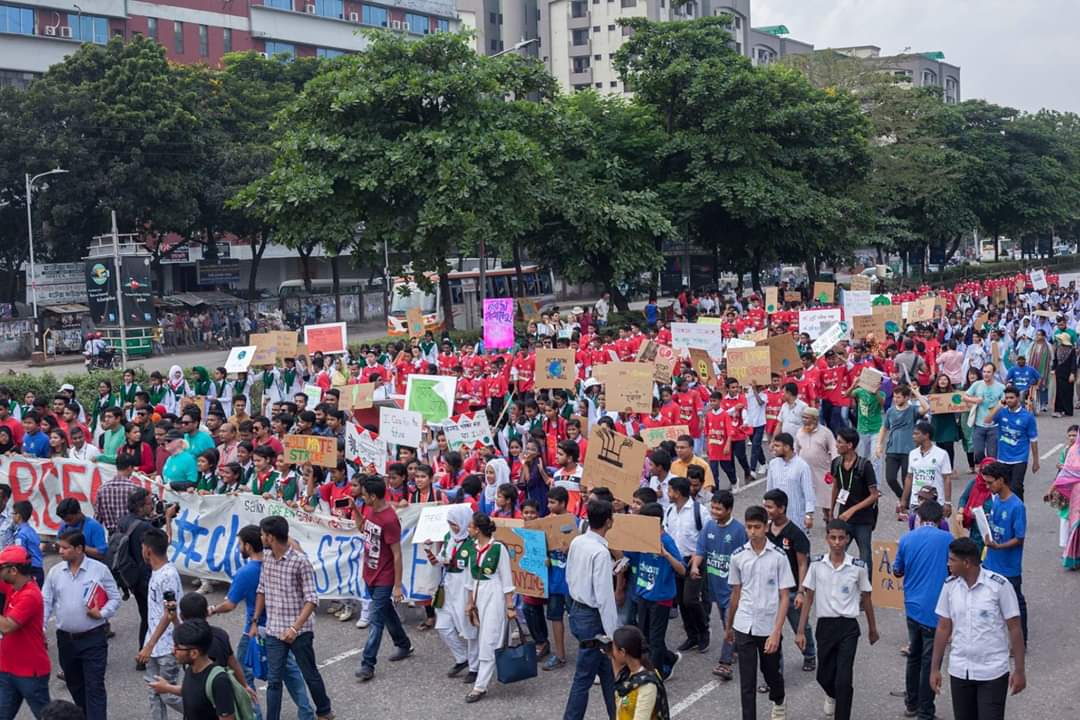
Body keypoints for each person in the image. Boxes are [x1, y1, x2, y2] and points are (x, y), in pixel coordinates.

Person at [209, 525, 315, 720]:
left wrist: (212, 610)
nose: (239, 547)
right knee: (290, 672)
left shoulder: (246, 572)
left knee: (244, 674)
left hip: (254, 631)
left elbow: (230, 604)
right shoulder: (275, 562)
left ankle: (255, 716)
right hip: (279, 628)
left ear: (248, 546)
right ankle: (306, 712)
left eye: (240, 543)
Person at [930, 537, 1026, 720]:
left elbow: (1014, 627)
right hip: (960, 670)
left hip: (992, 671)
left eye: (952, 560)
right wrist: (935, 669)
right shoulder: (950, 587)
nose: (948, 564)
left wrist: (1019, 670)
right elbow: (943, 627)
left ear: (966, 563)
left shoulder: (999, 586)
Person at [249, 516, 333, 720]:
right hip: (274, 630)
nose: (260, 537)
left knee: (309, 673)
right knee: (274, 680)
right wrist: (255, 620)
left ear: (270, 537)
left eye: (262, 534)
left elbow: (312, 599)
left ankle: (324, 711)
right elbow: (262, 589)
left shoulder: (300, 562)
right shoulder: (267, 559)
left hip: (300, 631)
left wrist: (294, 628)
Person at [794, 520, 879, 720]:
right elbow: (809, 597)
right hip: (825, 626)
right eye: (833, 537)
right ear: (827, 539)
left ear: (848, 539)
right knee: (823, 675)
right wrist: (799, 631)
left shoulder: (858, 567)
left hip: (848, 627)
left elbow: (866, 598)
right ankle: (831, 695)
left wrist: (872, 628)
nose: (837, 542)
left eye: (841, 538)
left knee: (844, 680)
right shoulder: (816, 565)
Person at [42, 531, 121, 720]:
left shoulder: (99, 570)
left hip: (93, 638)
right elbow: (46, 600)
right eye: (59, 547)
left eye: (65, 547)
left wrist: (102, 613)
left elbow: (115, 598)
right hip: (66, 640)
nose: (60, 551)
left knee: (94, 687)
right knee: (75, 685)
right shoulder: (55, 571)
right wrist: (41, 627)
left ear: (79, 549)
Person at [726, 504, 794, 720]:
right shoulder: (738, 557)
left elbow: (785, 596)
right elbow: (735, 593)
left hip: (768, 626)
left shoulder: (778, 556)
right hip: (744, 624)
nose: (753, 531)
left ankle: (779, 699)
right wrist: (729, 626)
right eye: (749, 527)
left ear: (766, 527)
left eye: (757, 526)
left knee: (771, 673)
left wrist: (776, 631)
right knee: (747, 682)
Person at [892, 501, 952, 720]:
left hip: (912, 608)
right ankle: (926, 711)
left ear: (919, 517)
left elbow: (897, 571)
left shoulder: (907, 539)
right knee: (930, 661)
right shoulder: (948, 540)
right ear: (940, 520)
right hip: (936, 611)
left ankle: (911, 703)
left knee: (914, 657)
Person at [562, 499, 618, 720]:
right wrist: (613, 635)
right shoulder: (601, 553)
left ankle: (617, 714)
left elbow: (569, 575)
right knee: (584, 677)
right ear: (608, 522)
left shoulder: (578, 541)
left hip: (577, 609)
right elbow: (604, 598)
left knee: (607, 672)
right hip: (593, 617)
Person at [355, 477, 413, 682]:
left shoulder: (389, 520)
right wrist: (355, 509)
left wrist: (397, 586)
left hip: (384, 576)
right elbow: (363, 529)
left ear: (373, 496)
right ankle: (403, 643)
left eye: (363, 495)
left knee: (376, 620)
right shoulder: (371, 509)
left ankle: (367, 664)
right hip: (370, 571)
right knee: (385, 611)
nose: (361, 497)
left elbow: (397, 554)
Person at [690, 489, 747, 680]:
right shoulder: (709, 527)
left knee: (729, 624)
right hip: (713, 586)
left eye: (719, 509)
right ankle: (737, 647)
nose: (714, 512)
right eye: (713, 507)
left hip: (732, 590)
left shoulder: (739, 532)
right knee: (727, 623)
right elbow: (701, 549)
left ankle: (725, 663)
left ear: (729, 509)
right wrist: (696, 566)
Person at [627, 502, 685, 680]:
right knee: (644, 637)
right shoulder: (641, 538)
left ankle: (655, 676)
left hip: (661, 598)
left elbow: (682, 569)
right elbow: (630, 559)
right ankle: (671, 658)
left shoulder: (667, 541)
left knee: (656, 639)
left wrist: (666, 555)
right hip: (643, 594)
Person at [462, 512, 516, 703]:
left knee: (488, 639)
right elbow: (469, 577)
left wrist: (510, 605)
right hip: (477, 594)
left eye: (470, 526)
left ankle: (480, 686)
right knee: (478, 636)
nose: (468, 529)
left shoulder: (498, 548)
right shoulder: (471, 547)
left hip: (494, 593)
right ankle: (485, 672)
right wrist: (469, 602)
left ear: (478, 529)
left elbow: (506, 577)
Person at [424, 505, 479, 682]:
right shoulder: (449, 537)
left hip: (464, 587)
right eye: (449, 523)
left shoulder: (473, 542)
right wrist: (436, 560)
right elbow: (443, 558)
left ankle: (475, 667)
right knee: (443, 626)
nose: (452, 527)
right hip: (448, 586)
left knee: (469, 629)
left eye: (454, 524)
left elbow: (473, 568)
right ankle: (462, 657)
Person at [763, 488, 815, 673]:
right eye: (765, 506)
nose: (767, 510)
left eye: (770, 507)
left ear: (781, 508)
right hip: (771, 591)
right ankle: (775, 670)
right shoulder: (765, 531)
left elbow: (802, 564)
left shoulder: (795, 534)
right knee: (772, 631)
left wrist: (801, 591)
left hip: (792, 591)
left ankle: (809, 654)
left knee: (800, 626)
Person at [136, 528, 184, 720]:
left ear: (148, 550)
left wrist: (149, 645)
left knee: (168, 694)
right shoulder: (156, 572)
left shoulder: (168, 575)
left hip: (167, 646)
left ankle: (203, 712)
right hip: (155, 645)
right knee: (154, 693)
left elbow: (169, 613)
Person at [980, 461, 1028, 645]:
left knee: (1016, 605)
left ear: (1001, 480)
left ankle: (1020, 642)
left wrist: (999, 547)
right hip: (991, 562)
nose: (987, 486)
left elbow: (1019, 538)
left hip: (1009, 567)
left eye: (990, 482)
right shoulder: (996, 500)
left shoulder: (1016, 506)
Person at [0, 545, 51, 719]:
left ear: (13, 570)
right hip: (7, 668)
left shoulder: (30, 595)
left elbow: (7, 626)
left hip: (31, 672)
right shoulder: (13, 586)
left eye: (1, 568)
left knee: (45, 716)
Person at [663, 477, 708, 653]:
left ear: (679, 493)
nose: (668, 494)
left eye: (670, 491)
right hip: (676, 562)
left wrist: (698, 556)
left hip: (694, 561)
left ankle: (704, 632)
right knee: (681, 601)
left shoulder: (699, 511)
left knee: (691, 599)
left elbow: (706, 535)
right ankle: (692, 636)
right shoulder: (669, 511)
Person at [830, 427, 880, 568]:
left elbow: (874, 495)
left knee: (864, 554)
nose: (836, 445)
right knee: (837, 550)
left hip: (863, 519)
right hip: (843, 517)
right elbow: (835, 487)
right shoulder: (836, 463)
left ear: (850, 445)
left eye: (840, 442)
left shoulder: (865, 466)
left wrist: (852, 510)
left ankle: (867, 586)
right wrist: (831, 510)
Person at [167, 620, 237, 720]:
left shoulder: (219, 681)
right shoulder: (190, 669)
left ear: (194, 653)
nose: (173, 651)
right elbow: (192, 692)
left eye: (177, 647)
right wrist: (166, 687)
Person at [987, 385, 1039, 500]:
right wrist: (998, 406)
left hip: (1020, 459)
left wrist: (1035, 461)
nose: (1009, 400)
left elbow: (1033, 440)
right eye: (1007, 398)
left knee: (1016, 487)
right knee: (1003, 487)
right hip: (1002, 458)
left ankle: (1019, 509)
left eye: (1011, 397)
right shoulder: (1001, 413)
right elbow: (987, 421)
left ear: (1018, 398)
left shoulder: (1028, 417)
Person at [610, 625, 671, 720]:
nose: (612, 652)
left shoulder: (647, 685)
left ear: (622, 652)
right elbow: (618, 679)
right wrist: (612, 655)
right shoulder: (628, 674)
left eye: (613, 648)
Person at [901, 421, 954, 521]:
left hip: (936, 502)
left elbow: (947, 478)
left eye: (917, 434)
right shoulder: (912, 454)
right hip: (916, 503)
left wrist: (947, 503)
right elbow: (909, 477)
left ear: (926, 435)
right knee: (916, 533)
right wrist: (903, 500)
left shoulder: (942, 454)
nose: (913, 436)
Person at [766, 433, 816, 531]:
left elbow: (809, 493)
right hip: (777, 516)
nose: (774, 448)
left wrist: (809, 515)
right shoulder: (773, 464)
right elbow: (769, 490)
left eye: (777, 446)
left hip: (796, 517)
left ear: (787, 447)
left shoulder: (802, 466)